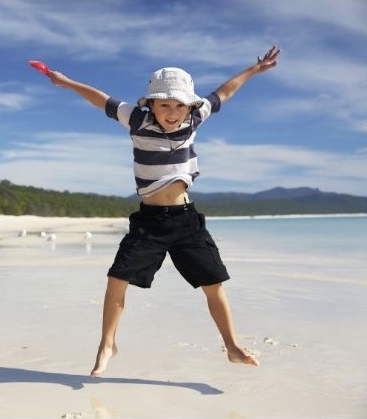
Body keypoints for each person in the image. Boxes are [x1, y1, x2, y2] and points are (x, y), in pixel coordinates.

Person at [48, 46, 280, 376]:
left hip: (186, 220)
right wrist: (67, 82)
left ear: (189, 106)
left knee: (213, 284)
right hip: (149, 221)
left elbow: (224, 92)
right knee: (117, 279)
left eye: (179, 105)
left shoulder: (196, 117)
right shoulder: (136, 119)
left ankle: (231, 346)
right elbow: (100, 98)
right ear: (152, 104)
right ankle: (107, 343)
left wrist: (253, 71)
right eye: (165, 104)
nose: (172, 112)